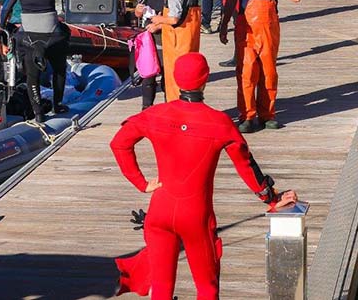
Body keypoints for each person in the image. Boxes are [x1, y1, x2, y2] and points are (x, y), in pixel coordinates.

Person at [110, 52, 298, 299]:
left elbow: (119, 144)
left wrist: (142, 183)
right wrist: (271, 199)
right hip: (196, 217)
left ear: (176, 80)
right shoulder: (220, 122)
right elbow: (246, 165)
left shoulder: (154, 115)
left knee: (162, 290)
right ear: (205, 79)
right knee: (207, 288)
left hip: (159, 212)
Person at [219, 0, 301, 132]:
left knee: (268, 73)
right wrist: (224, 25)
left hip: (268, 32)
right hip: (245, 32)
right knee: (246, 74)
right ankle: (247, 115)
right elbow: (231, 1)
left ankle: (267, 115)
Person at [0, 0, 71, 123]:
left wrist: (2, 26)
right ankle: (58, 104)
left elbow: (6, 8)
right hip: (52, 36)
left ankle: (38, 113)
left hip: (29, 38)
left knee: (32, 76)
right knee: (59, 70)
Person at [146, 0, 201, 102]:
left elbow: (174, 19)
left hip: (177, 42)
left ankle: (175, 106)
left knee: (174, 76)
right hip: (190, 38)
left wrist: (158, 20)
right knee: (189, 75)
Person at [134, 0, 166, 108]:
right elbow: (138, 12)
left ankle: (169, 107)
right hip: (149, 38)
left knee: (167, 76)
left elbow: (178, 17)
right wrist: (138, 10)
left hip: (167, 38)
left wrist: (159, 25)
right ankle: (146, 108)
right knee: (148, 75)